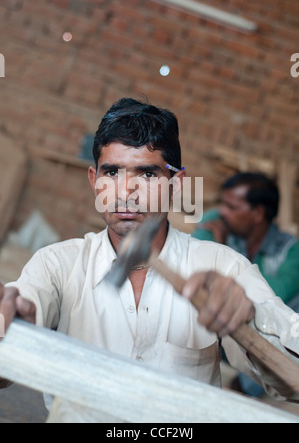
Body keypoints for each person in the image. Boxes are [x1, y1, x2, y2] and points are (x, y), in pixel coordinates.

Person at [0, 99, 299, 418]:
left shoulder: (223, 267)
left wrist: (249, 319)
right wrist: (16, 329)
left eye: (147, 174)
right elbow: (17, 327)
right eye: (112, 171)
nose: (126, 191)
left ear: (176, 184)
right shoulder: (56, 265)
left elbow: (291, 383)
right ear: (93, 180)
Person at [193, 172, 299, 396]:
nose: (222, 211)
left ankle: (245, 387)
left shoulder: (291, 251)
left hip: (260, 342)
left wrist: (222, 249)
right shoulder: (216, 221)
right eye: (224, 203)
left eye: (232, 207)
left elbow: (269, 296)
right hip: (216, 335)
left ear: (258, 213)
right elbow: (196, 270)